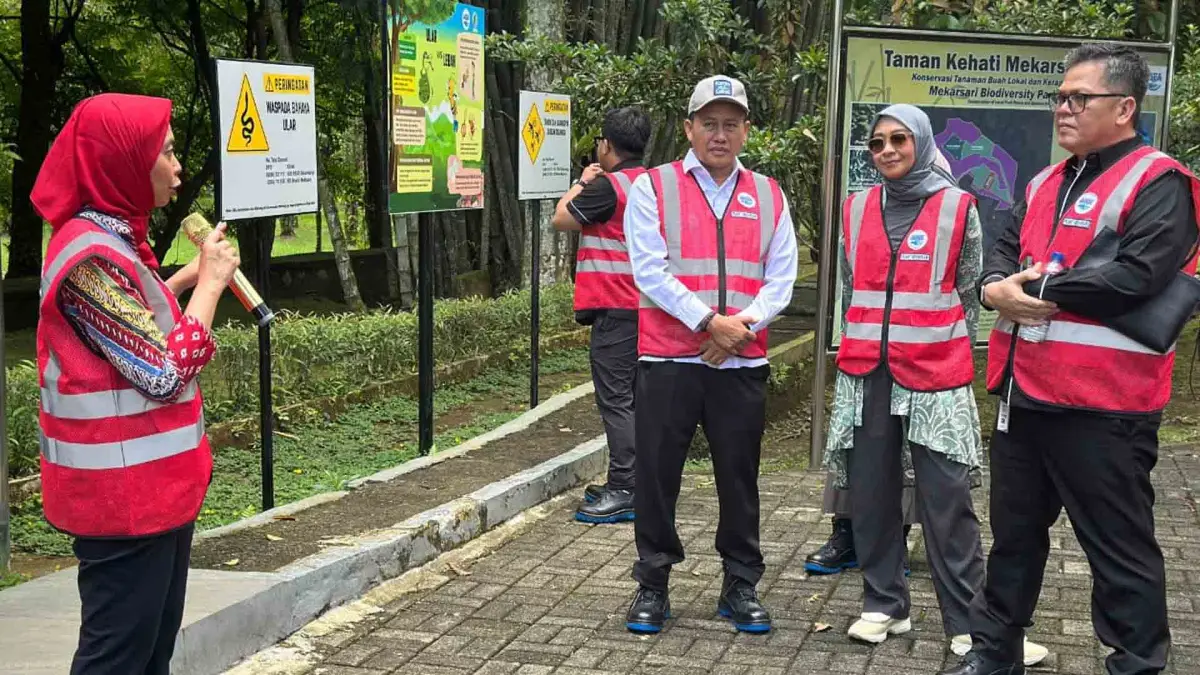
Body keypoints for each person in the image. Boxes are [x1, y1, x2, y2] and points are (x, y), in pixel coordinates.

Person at [941, 44, 1200, 675]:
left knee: (1119, 551)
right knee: (1014, 540)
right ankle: (994, 651)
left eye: (1079, 98)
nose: (1063, 108)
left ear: (1125, 108)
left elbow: (1138, 275)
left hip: (1105, 406)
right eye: (1060, 97)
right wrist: (992, 286)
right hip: (1024, 394)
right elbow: (1004, 250)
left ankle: (1136, 663)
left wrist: (1035, 289)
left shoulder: (1160, 181)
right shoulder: (1043, 182)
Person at [32, 93, 240, 674]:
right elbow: (163, 372)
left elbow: (129, 332)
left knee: (150, 654)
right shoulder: (88, 258)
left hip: (154, 494)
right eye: (166, 152)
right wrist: (211, 286)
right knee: (118, 659)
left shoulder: (115, 237)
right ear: (123, 162)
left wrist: (186, 278)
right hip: (122, 504)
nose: (178, 166)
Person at [621, 75, 797, 635]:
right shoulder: (654, 187)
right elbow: (649, 271)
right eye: (709, 123)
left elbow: (781, 278)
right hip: (669, 360)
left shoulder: (769, 194)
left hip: (740, 363)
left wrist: (737, 330)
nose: (720, 134)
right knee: (656, 476)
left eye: (731, 124)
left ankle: (740, 583)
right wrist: (708, 322)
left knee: (739, 478)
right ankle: (653, 584)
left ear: (746, 130)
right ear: (689, 127)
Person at [552, 107, 652, 524]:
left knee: (616, 400)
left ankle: (625, 488)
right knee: (637, 399)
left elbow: (561, 218)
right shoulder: (653, 183)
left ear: (607, 145)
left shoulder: (608, 188)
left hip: (615, 307)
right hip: (647, 309)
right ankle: (641, 484)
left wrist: (581, 182)